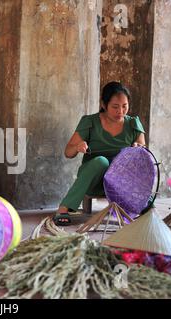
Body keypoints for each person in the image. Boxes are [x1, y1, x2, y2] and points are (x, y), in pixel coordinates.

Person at [53, 82, 146, 226]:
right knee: (101, 161)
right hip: (93, 180)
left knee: (126, 162)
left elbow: (143, 152)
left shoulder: (133, 124)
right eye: (115, 107)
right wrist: (78, 146)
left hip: (120, 183)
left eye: (124, 106)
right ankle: (64, 207)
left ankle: (142, 205)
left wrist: (137, 148)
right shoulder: (90, 122)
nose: (120, 111)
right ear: (104, 104)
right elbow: (68, 152)